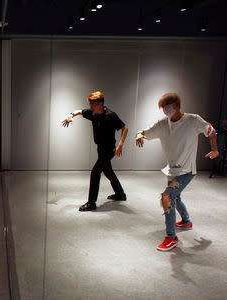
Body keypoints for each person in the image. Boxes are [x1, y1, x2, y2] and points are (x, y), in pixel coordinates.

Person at [136, 93, 218, 251]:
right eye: (163, 108)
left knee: (167, 197)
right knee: (176, 197)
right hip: (172, 170)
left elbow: (211, 131)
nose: (166, 111)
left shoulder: (193, 120)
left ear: (177, 106)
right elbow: (144, 132)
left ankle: (171, 237)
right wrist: (139, 135)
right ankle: (186, 222)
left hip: (186, 171)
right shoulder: (162, 124)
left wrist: (215, 149)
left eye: (168, 107)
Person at [62, 91, 128, 211]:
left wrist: (121, 144)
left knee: (95, 172)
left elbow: (124, 128)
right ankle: (120, 194)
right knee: (108, 172)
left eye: (92, 104)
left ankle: (91, 203)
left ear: (100, 103)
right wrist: (70, 116)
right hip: (100, 148)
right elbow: (78, 112)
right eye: (90, 103)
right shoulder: (92, 113)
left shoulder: (110, 115)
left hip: (109, 150)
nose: (90, 106)